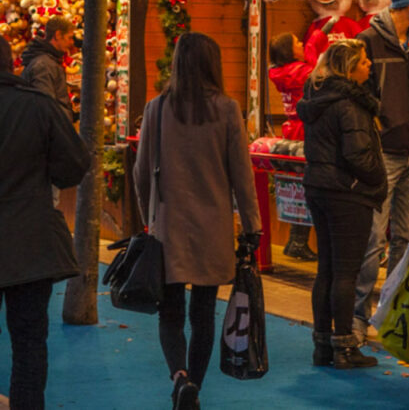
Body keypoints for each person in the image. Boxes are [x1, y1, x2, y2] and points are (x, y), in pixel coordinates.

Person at [133, 31, 261, 410]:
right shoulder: (226, 110)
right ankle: (196, 388)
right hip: (213, 227)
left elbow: (141, 172)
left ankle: (179, 377)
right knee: (203, 314)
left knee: (169, 313)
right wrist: (251, 226)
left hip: (168, 225)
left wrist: (148, 219)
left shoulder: (156, 109)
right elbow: (242, 175)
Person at [0, 35, 89, 410]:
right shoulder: (37, 106)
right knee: (29, 343)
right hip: (30, 244)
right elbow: (75, 165)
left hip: (27, 240)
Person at [351, 0, 409, 340]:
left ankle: (391, 313)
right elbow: (357, 89)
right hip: (383, 151)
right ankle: (357, 313)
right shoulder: (368, 40)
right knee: (372, 238)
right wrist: (378, 119)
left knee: (406, 234)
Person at [297, 38, 385, 370]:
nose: (369, 66)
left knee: (327, 270)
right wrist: (378, 178)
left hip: (318, 188)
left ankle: (323, 344)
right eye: (364, 62)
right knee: (346, 272)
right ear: (349, 68)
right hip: (347, 193)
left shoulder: (317, 96)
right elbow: (357, 153)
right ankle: (345, 347)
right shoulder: (351, 103)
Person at [267, 25, 333, 262]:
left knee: (299, 187)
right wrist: (317, 39)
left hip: (291, 131)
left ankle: (297, 240)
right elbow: (319, 73)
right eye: (297, 43)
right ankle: (297, 241)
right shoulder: (300, 72)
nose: (301, 46)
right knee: (310, 188)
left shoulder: (281, 72)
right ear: (289, 50)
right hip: (305, 132)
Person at [21, 15, 74, 120]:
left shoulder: (48, 61)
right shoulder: (44, 65)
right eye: (69, 37)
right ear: (58, 35)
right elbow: (45, 108)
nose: (71, 43)